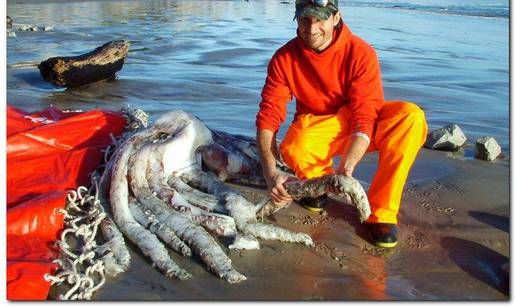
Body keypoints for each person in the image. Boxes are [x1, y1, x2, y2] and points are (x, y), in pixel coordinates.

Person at [255, 0, 428, 248]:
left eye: (320, 19)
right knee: (296, 143)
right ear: (296, 17)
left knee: (410, 118)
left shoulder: (360, 52)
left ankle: (381, 213)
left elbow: (364, 116)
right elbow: (269, 115)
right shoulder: (284, 58)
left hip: (361, 125)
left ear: (336, 17)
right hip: (320, 126)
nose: (312, 28)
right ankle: (316, 186)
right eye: (305, 19)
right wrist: (270, 172)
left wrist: (346, 170)